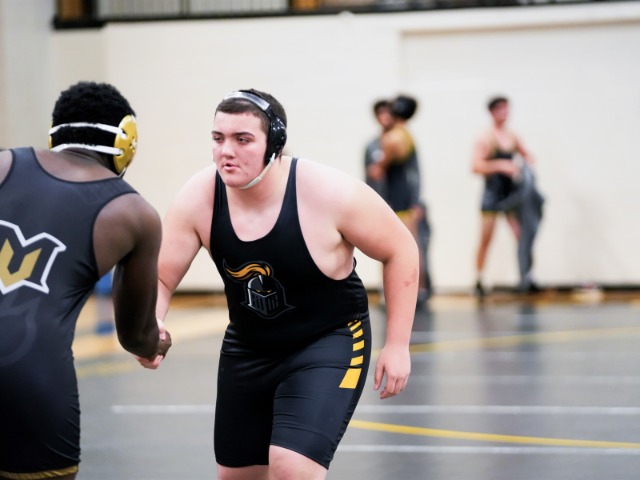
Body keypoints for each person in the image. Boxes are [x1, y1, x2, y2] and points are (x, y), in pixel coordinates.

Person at [140, 89, 418, 479]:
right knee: (238, 476)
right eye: (218, 138)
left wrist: (398, 344)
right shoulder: (199, 196)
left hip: (329, 339)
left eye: (243, 139)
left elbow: (401, 249)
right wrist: (152, 323)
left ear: (275, 143)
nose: (226, 151)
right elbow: (160, 276)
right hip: (249, 345)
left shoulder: (326, 191)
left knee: (292, 468)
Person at [0, 81, 171, 480]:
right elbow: (135, 336)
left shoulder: (4, 164)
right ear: (126, 143)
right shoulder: (133, 213)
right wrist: (157, 342)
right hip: (33, 378)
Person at [367, 94, 431, 304]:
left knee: (397, 249)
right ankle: (416, 290)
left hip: (399, 202)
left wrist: (379, 166)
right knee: (410, 247)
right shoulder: (405, 135)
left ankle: (408, 292)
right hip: (401, 200)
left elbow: (378, 170)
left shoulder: (394, 138)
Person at [471, 95, 535, 297]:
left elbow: (527, 155)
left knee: (521, 236)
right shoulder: (485, 138)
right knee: (486, 238)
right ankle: (479, 278)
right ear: (492, 112)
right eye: (500, 109)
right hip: (492, 194)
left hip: (510, 195)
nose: (505, 113)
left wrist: (525, 166)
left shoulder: (512, 136)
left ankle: (527, 276)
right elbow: (475, 166)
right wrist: (500, 165)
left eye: (507, 109)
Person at [363, 99, 393, 197]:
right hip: (379, 197)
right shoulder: (371, 146)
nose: (385, 116)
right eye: (381, 113)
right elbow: (368, 175)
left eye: (388, 112)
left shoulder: (401, 142)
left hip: (399, 200)